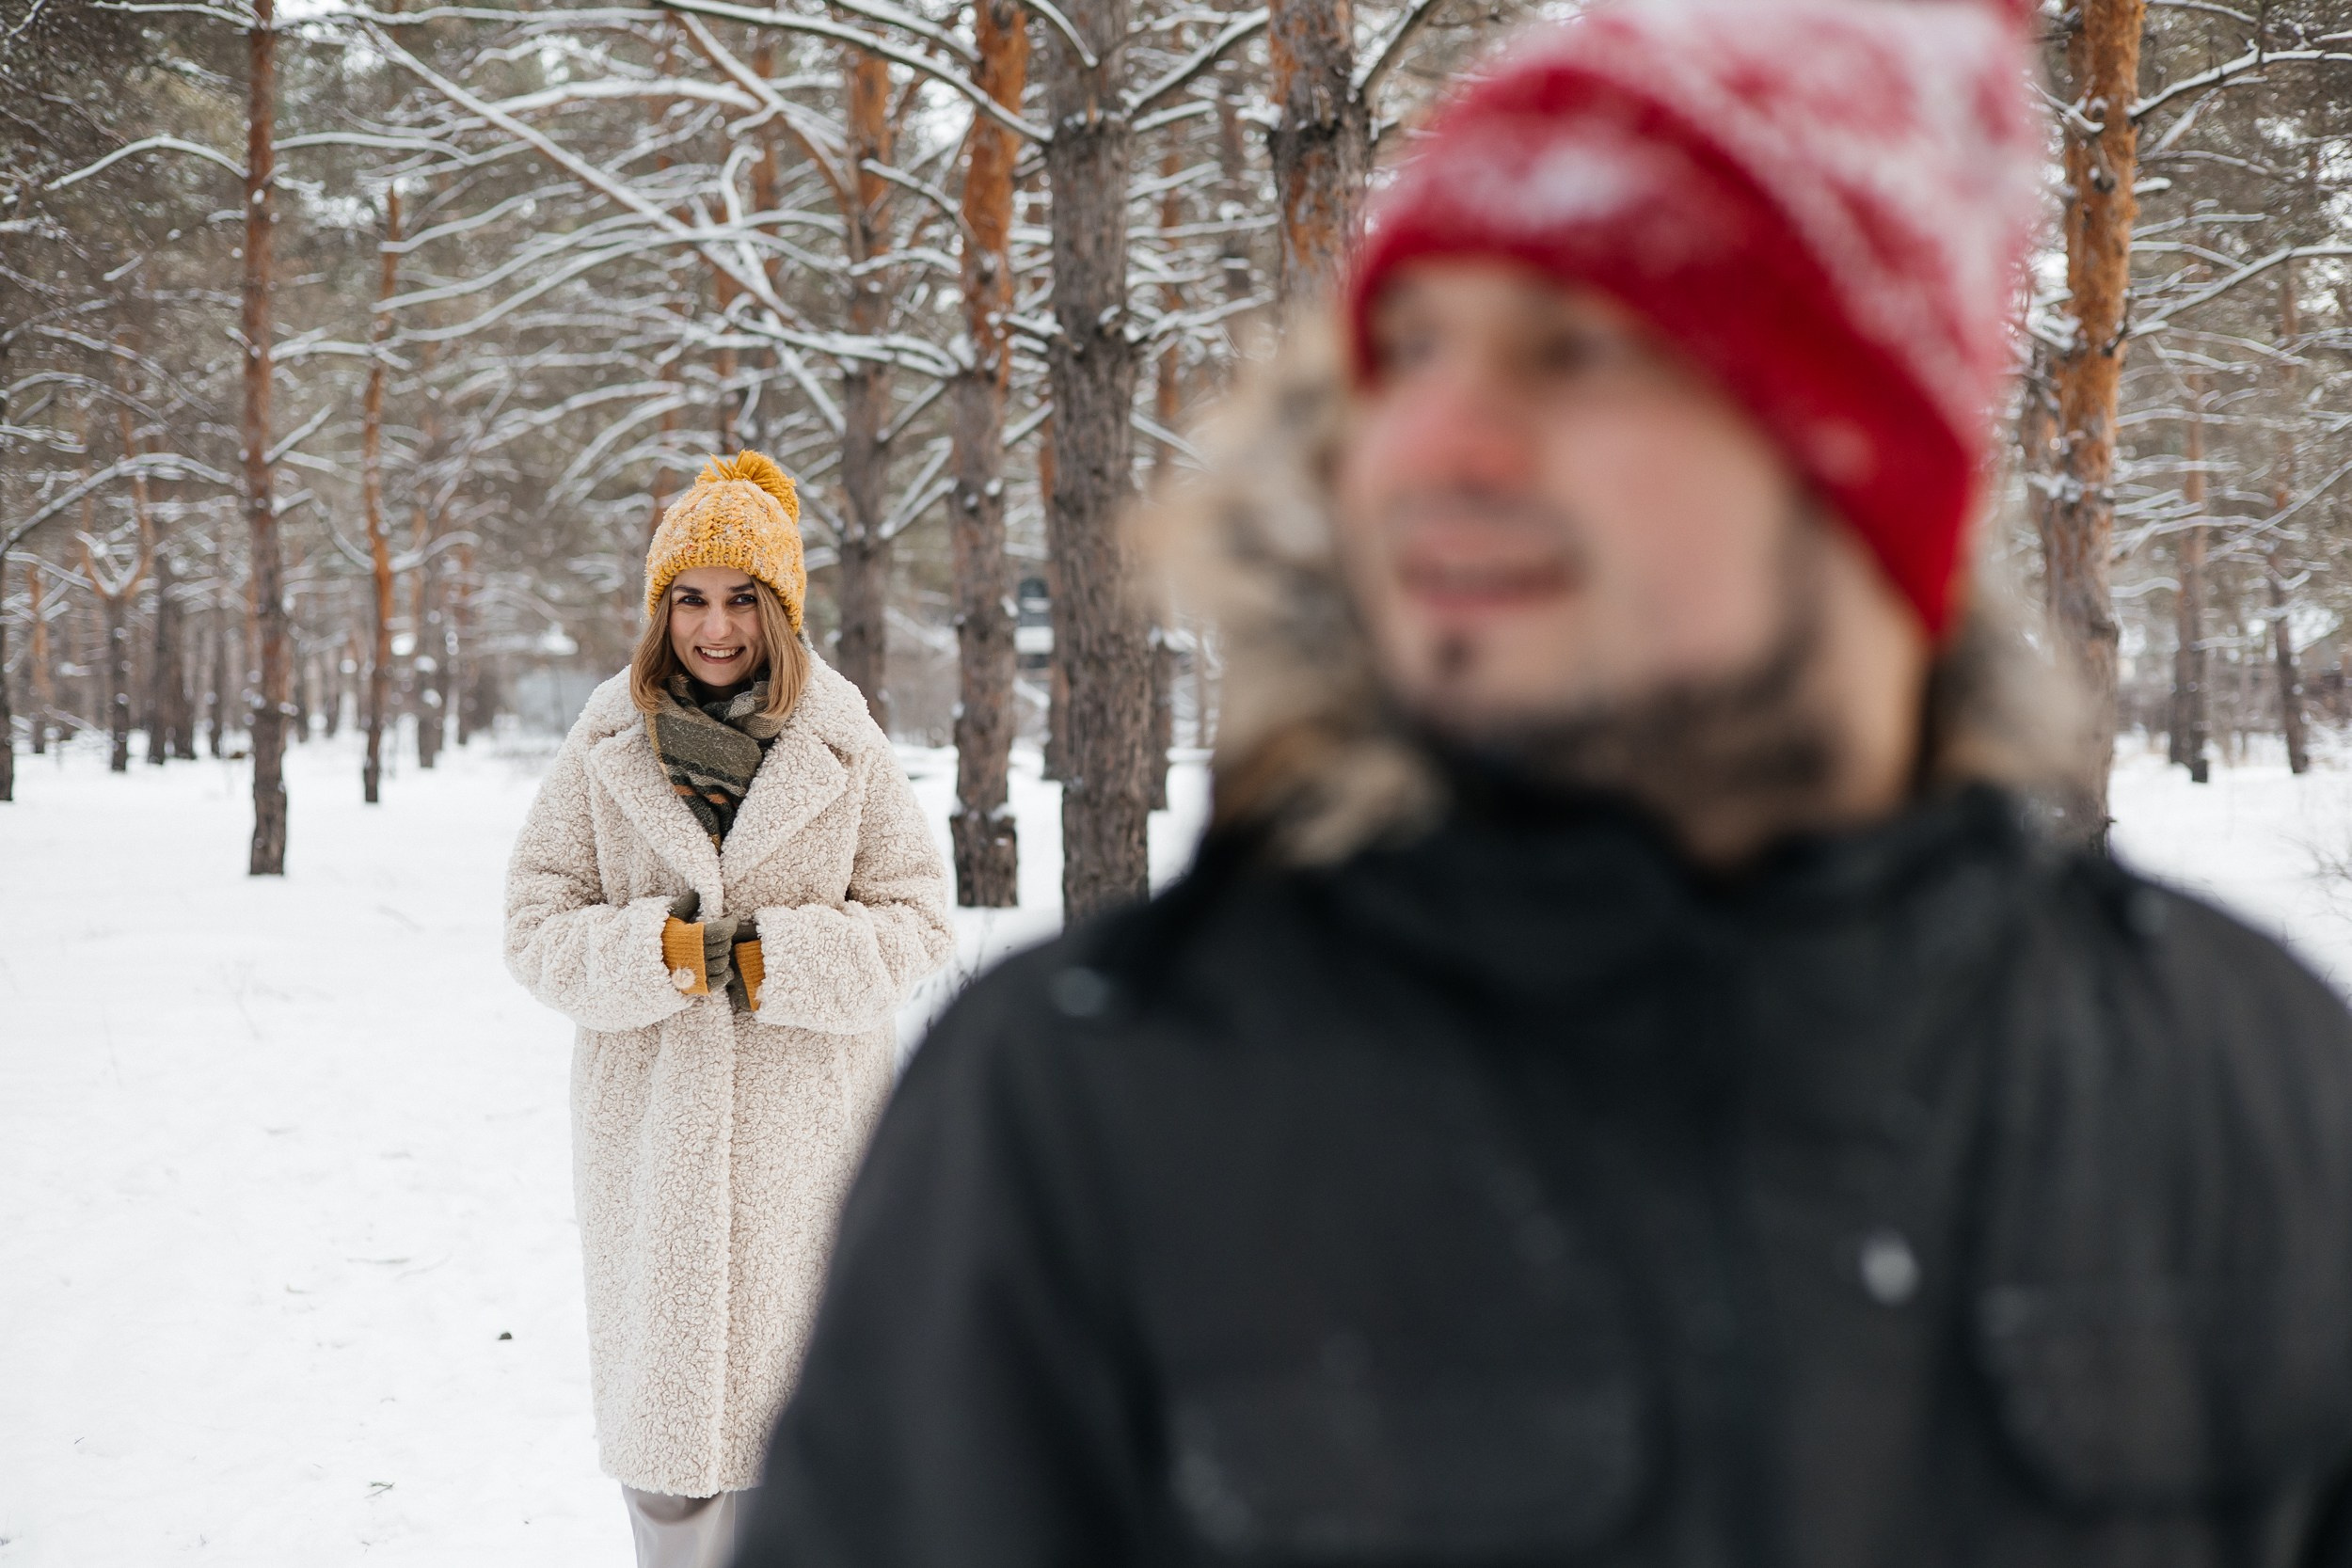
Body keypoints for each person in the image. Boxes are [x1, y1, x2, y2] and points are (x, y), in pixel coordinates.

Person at [737, 2, 2352, 1564]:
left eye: (1576, 352)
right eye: (1414, 347)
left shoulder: (2249, 1082)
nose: (1431, 441)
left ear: (1856, 458)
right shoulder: (1086, 1101)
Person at [502, 451, 951, 1568]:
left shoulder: (844, 742)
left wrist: (767, 956)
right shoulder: (605, 739)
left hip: (810, 1144)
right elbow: (534, 922)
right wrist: (659, 953)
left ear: (782, 608)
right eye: (690, 599)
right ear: (661, 609)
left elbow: (918, 921)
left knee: (813, 1442)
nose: (715, 627)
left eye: (741, 598)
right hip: (651, 1140)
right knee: (670, 1462)